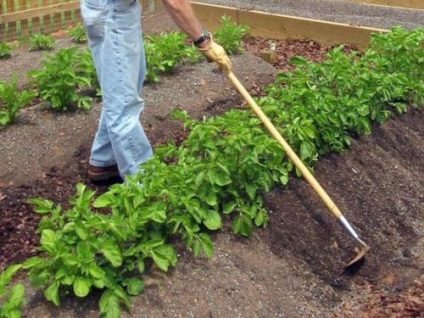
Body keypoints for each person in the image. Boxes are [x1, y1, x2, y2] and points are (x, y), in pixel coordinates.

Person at [80, 0, 232, 182]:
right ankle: (146, 186)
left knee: (122, 88)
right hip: (112, 13)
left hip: (111, 7)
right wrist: (203, 40)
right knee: (123, 104)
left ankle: (104, 161)